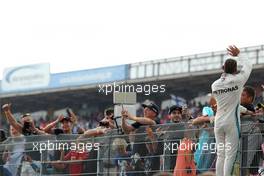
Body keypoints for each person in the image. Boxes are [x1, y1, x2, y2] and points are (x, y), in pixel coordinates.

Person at [211, 45, 253, 176]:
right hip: (231, 123)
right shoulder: (238, 80)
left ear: (223, 68)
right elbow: (249, 65)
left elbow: (226, 102)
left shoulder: (215, 84)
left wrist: (245, 110)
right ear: (235, 69)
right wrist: (239, 54)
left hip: (218, 122)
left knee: (221, 154)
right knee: (230, 155)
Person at [121, 102, 161, 175]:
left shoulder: (156, 121)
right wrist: (123, 119)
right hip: (136, 159)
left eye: (148, 109)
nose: (145, 110)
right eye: (144, 108)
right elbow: (127, 130)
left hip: (147, 160)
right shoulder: (140, 122)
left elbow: (150, 121)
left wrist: (131, 117)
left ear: (154, 113)